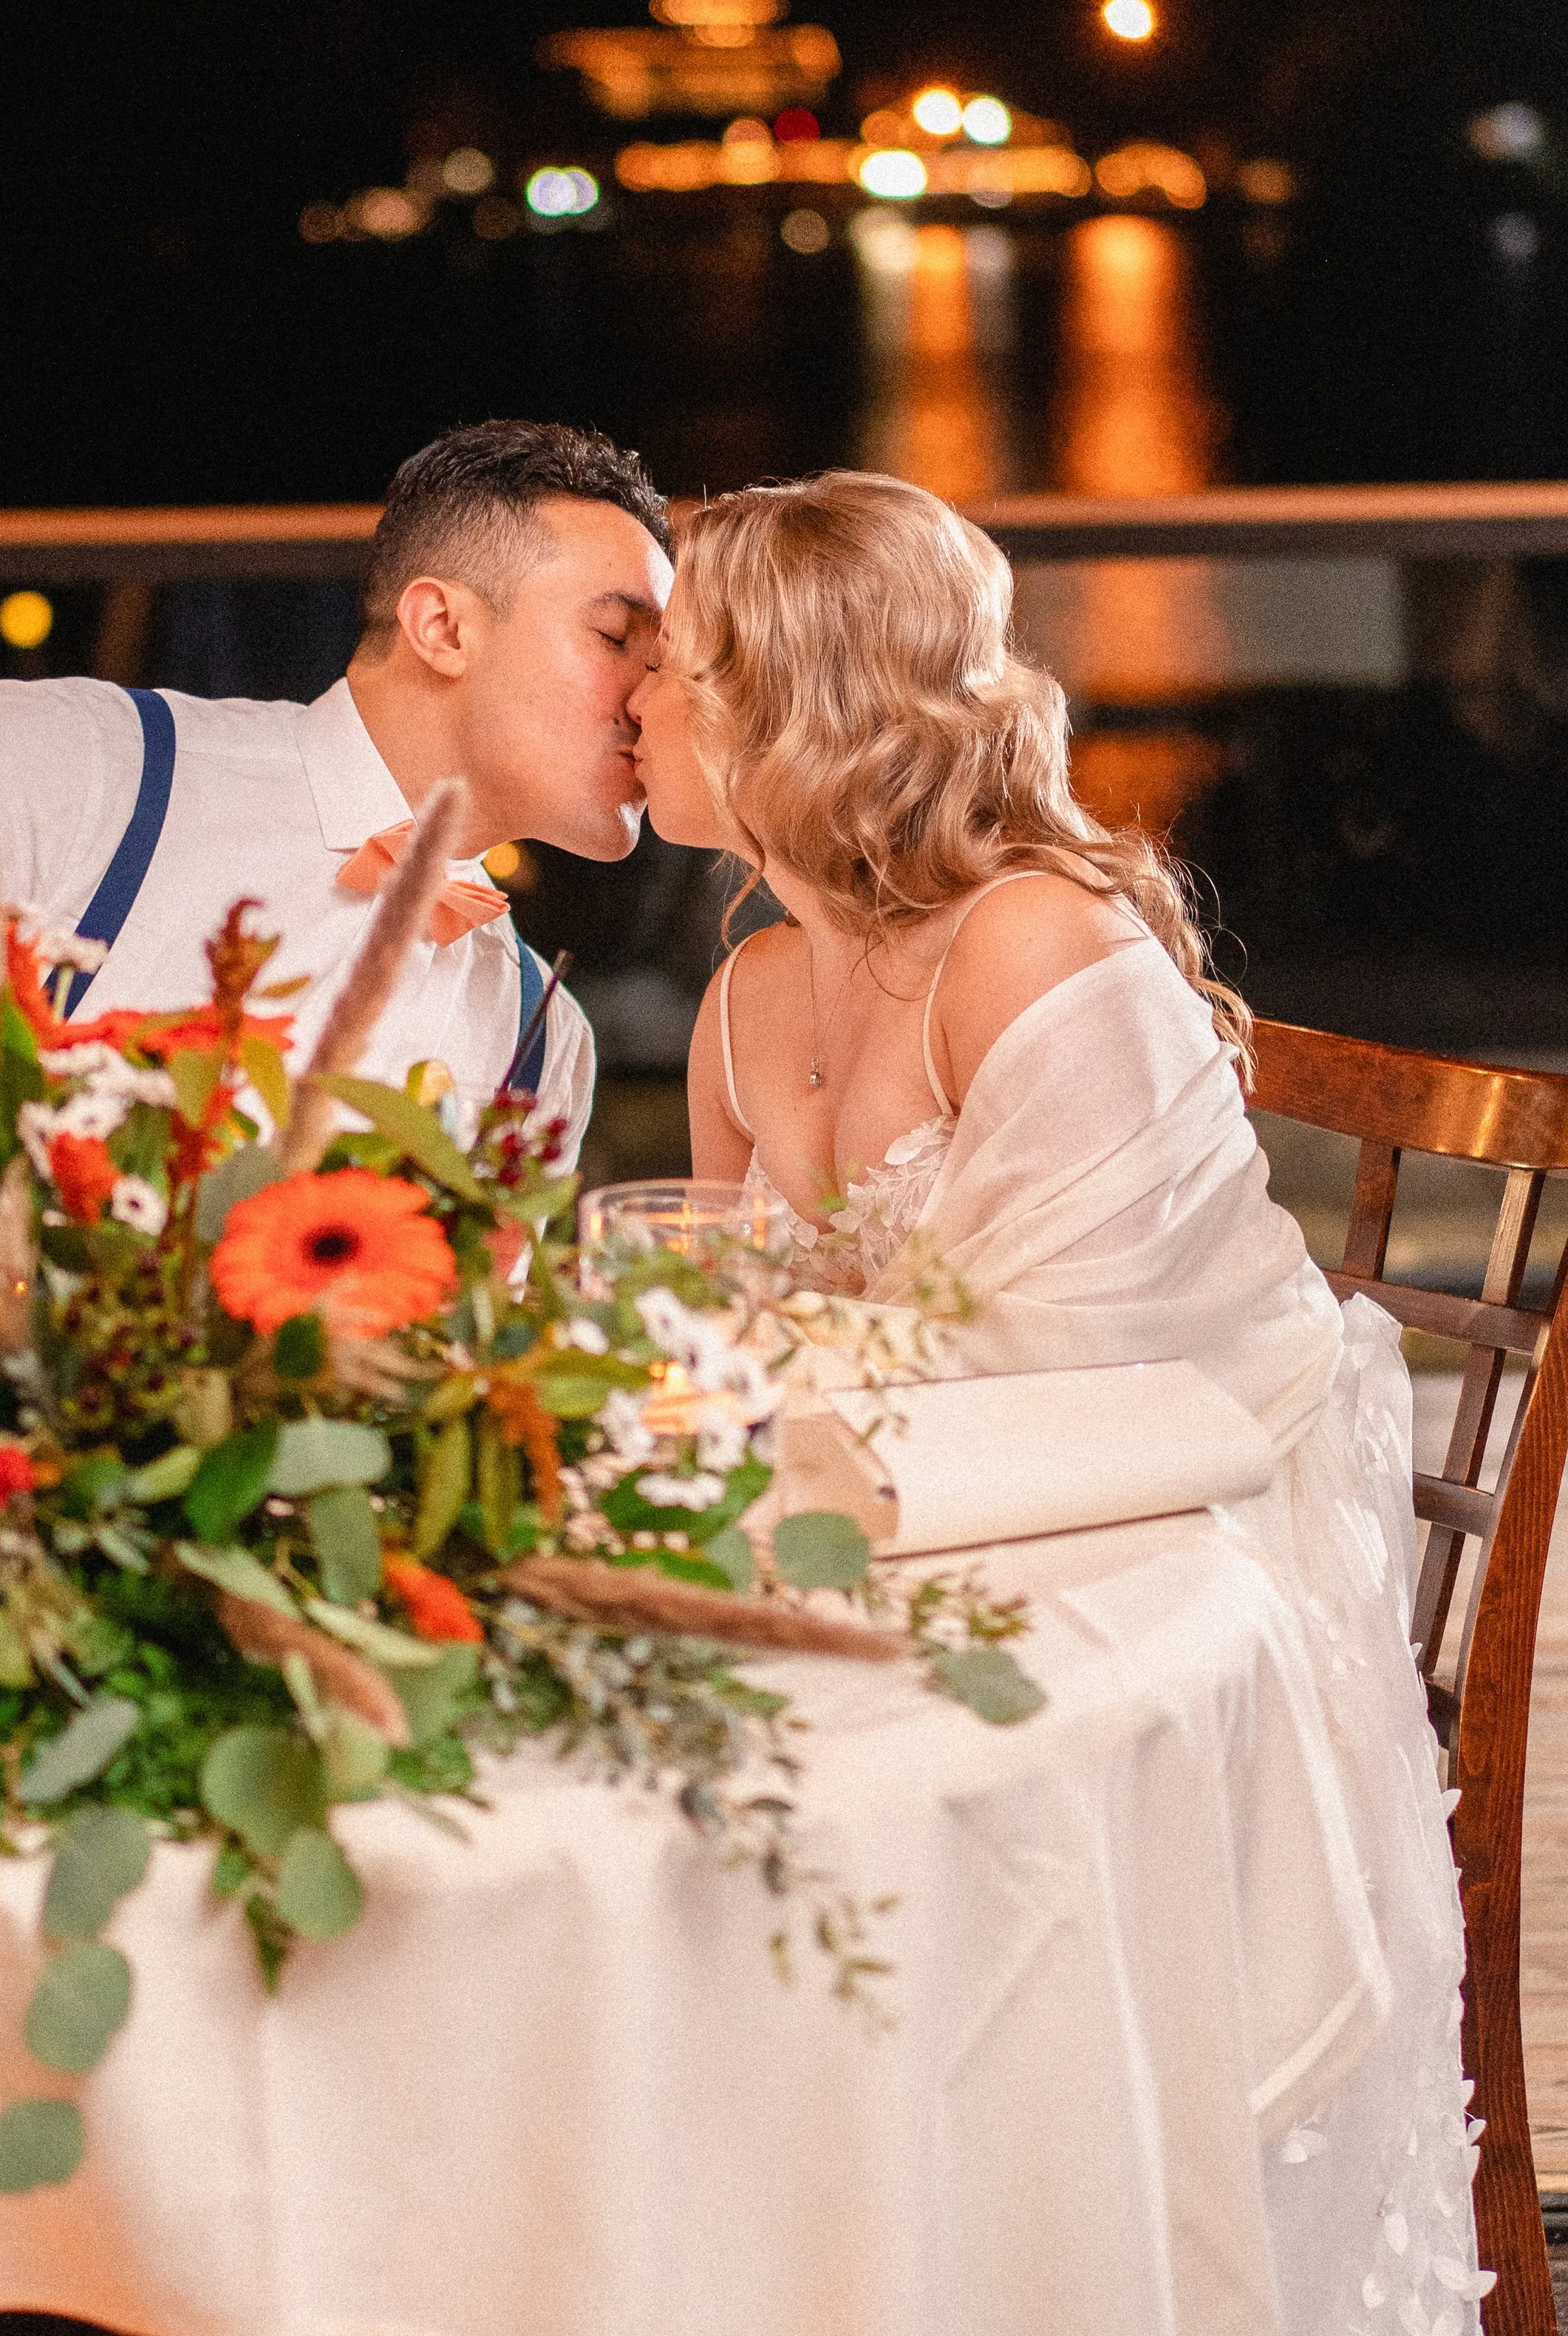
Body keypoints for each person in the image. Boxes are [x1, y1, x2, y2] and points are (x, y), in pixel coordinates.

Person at [628, 468, 1482, 2334]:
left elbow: (1093, 1391)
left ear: (786, 698)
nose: (625, 700)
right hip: (899, 1541)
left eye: (666, 661)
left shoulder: (1032, 947)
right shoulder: (752, 993)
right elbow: (701, 1335)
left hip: (1175, 1589)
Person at [0, 421, 674, 1155]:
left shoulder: (541, 1048)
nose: (655, 696)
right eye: (617, 636)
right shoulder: (66, 768)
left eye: (666, 659)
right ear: (443, 627)